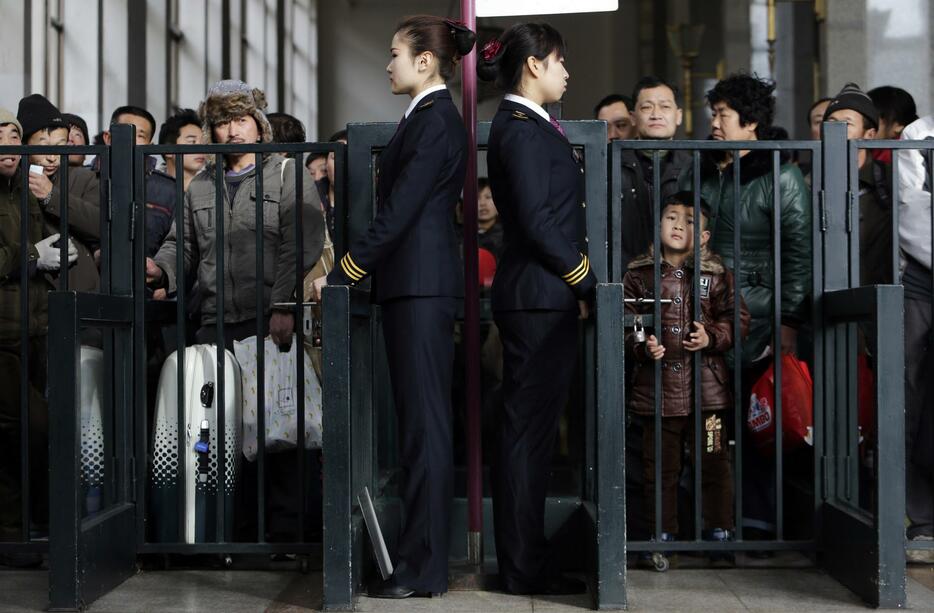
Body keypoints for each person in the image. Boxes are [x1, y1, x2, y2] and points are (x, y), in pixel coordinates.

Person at [309, 16, 474, 598]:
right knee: (418, 429)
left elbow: (402, 207)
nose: (388, 64)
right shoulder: (425, 118)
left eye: (395, 54)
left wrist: (348, 267)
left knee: (424, 430)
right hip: (414, 285)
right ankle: (418, 562)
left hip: (421, 287)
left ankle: (424, 569)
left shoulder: (434, 121)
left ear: (425, 62)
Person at [478, 22, 596, 595]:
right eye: (560, 62)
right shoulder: (522, 130)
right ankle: (522, 567)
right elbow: (536, 221)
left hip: (539, 296)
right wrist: (584, 280)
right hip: (537, 296)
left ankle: (529, 559)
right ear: (534, 66)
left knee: (534, 437)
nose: (566, 73)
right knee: (525, 439)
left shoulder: (529, 125)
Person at [695, 73, 811, 543]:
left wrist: (787, 320)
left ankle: (760, 523)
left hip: (759, 318)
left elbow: (798, 253)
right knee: (711, 423)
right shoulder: (706, 166)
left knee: (761, 421)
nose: (715, 122)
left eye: (723, 114)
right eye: (715, 113)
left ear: (752, 121)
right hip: (708, 314)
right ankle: (715, 523)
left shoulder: (780, 173)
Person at [147, 79, 325, 348]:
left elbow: (300, 245)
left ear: (259, 126)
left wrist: (283, 306)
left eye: (241, 120)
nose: (232, 131)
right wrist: (160, 269)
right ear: (211, 132)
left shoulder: (286, 173)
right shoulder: (200, 184)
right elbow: (183, 245)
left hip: (270, 318)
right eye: (222, 123)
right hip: (213, 322)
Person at [624, 192, 749, 568]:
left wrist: (713, 337)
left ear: (706, 236)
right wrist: (643, 347)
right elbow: (626, 323)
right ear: (658, 225)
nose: (679, 225)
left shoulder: (716, 274)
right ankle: (662, 534)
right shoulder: (638, 275)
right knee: (659, 468)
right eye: (672, 217)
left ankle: (719, 533)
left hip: (707, 394)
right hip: (656, 393)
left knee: (714, 462)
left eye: (690, 220)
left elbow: (737, 319)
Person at [0, 109, 75, 565]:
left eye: (14, 134)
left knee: (18, 435)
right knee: (30, 426)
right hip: (2, 333)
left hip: (32, 329)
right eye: (0, 135)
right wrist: (31, 255)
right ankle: (17, 534)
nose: (10, 141)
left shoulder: (21, 192)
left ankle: (17, 534)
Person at [896, 114, 934, 563]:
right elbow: (914, 212)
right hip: (923, 278)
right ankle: (922, 521)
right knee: (914, 397)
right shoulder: (920, 134)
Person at [17, 94, 100, 294]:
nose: (52, 157)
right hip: (28, 293)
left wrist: (50, 196)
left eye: (60, 146)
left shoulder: (82, 178)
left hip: (80, 292)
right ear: (24, 144)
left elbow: (100, 225)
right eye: (43, 147)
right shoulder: (11, 180)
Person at [823, 83, 893, 285]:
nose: (836, 129)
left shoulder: (888, 179)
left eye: (846, 123)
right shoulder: (811, 179)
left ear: (869, 135)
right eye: (831, 122)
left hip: (877, 291)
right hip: (826, 293)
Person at [619, 75, 691, 272]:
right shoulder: (613, 164)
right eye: (647, 107)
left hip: (681, 281)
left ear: (679, 115)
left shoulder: (694, 168)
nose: (656, 114)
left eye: (665, 107)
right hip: (624, 279)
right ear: (633, 117)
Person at [146, 108, 206, 258]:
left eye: (203, 142)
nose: (201, 149)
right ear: (168, 151)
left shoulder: (211, 189)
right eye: (192, 142)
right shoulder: (150, 186)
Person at [477, 177, 503, 260]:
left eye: (488, 197)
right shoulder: (459, 237)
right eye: (477, 198)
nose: (482, 203)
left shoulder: (507, 238)